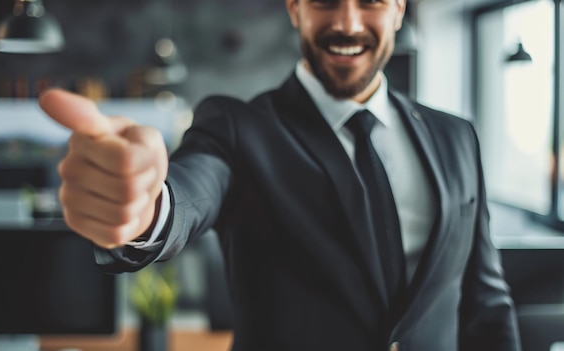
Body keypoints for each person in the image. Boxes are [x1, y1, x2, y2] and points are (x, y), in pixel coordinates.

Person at [39, 0, 521, 350]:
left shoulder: (457, 137)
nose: (347, 22)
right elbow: (192, 191)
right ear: (294, 8)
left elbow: (486, 303)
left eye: (370, 3)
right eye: (326, 2)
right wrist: (147, 208)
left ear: (398, 9)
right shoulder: (238, 128)